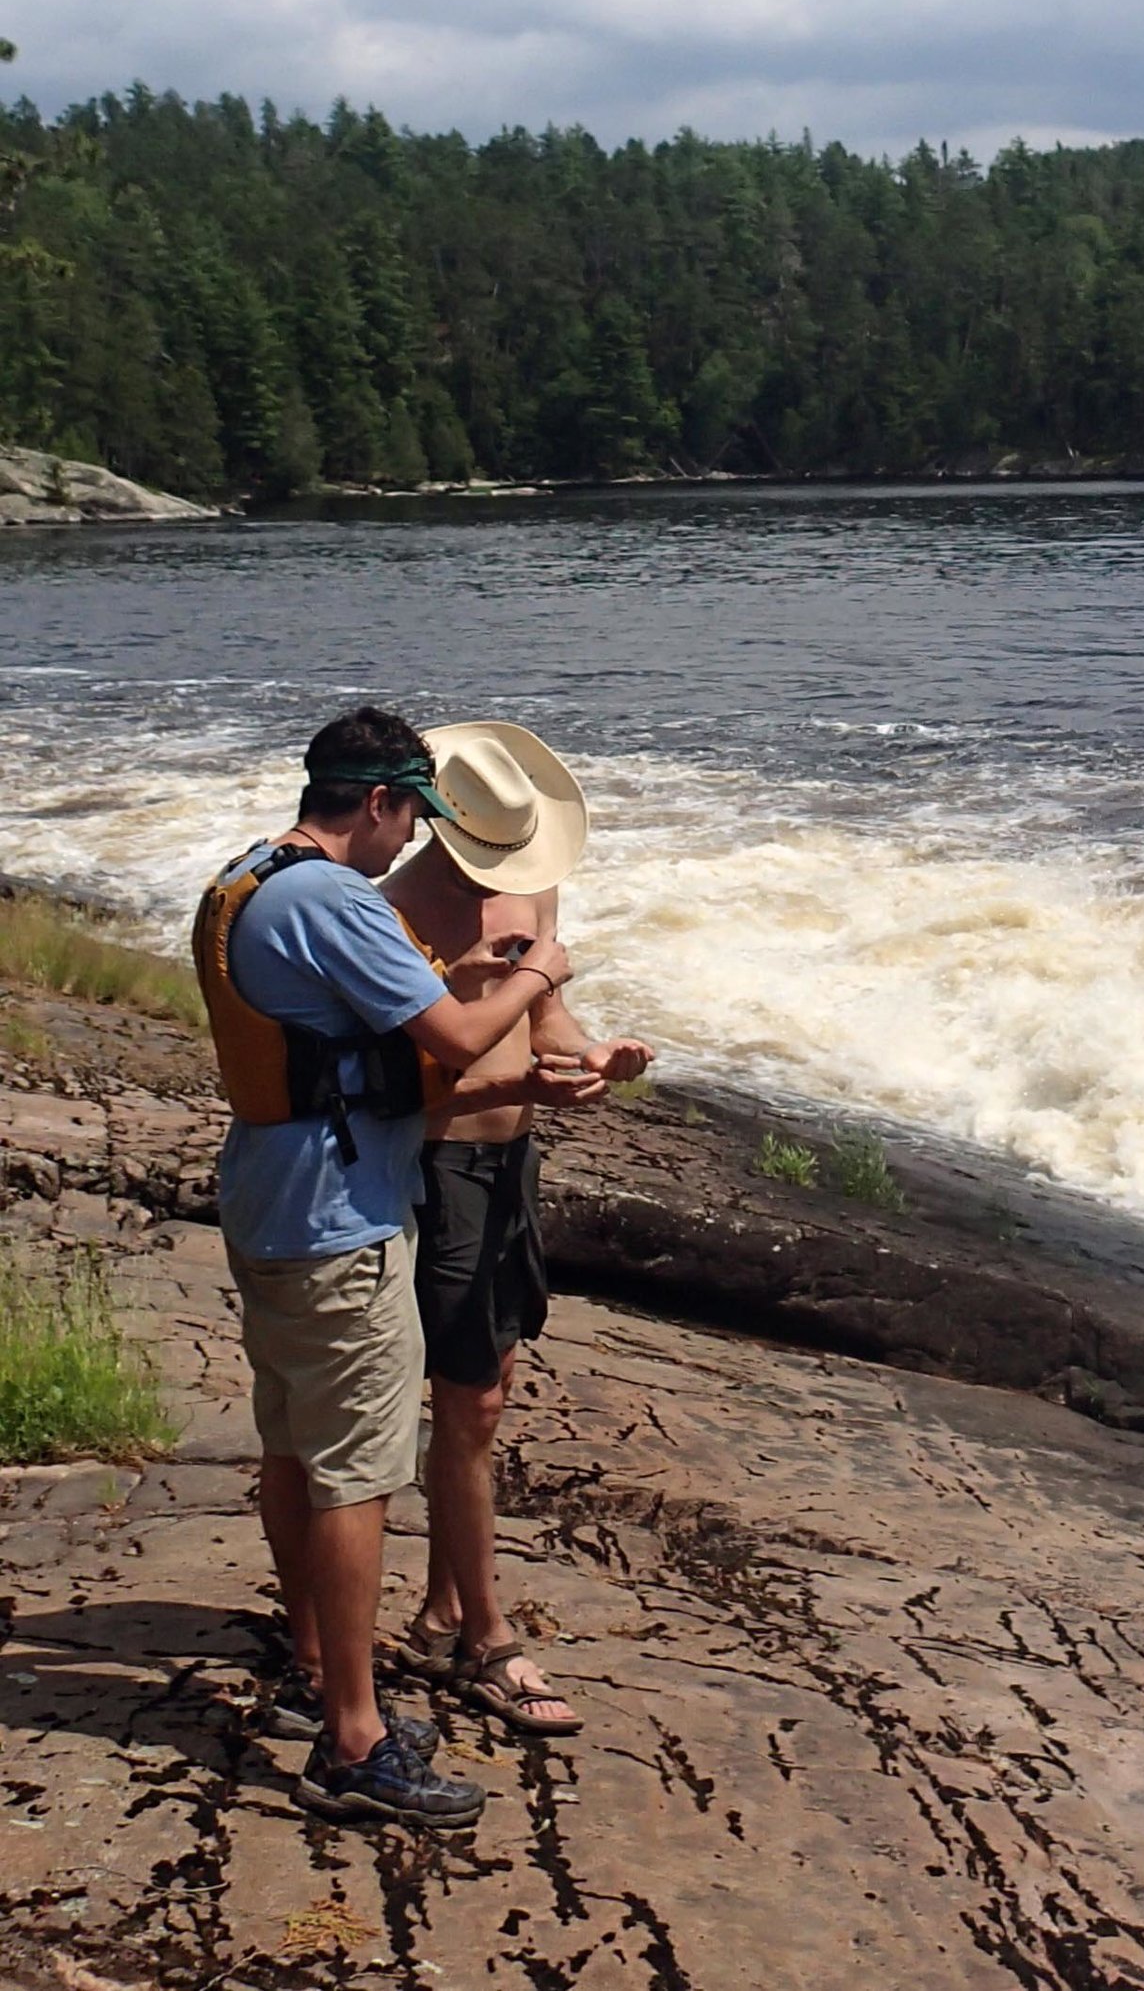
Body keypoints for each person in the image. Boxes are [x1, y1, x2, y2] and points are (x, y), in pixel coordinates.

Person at [195, 706, 575, 1829]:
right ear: (377, 801)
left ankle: (316, 1655)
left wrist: (456, 975)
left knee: (290, 1441)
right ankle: (354, 1738)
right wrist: (539, 968)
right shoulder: (338, 896)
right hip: (338, 1217)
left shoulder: (248, 878)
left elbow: (332, 1033)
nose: (412, 839)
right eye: (411, 814)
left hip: (267, 1201)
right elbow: (457, 1042)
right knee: (356, 1472)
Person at [382, 722, 652, 1737]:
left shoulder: (533, 894)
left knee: (490, 1388)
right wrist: (526, 1070)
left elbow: (547, 1026)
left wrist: (596, 1056)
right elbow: (412, 1082)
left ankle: (443, 1607)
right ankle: (487, 1639)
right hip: (438, 1164)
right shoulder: (394, 913)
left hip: (509, 1164)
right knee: (470, 1404)